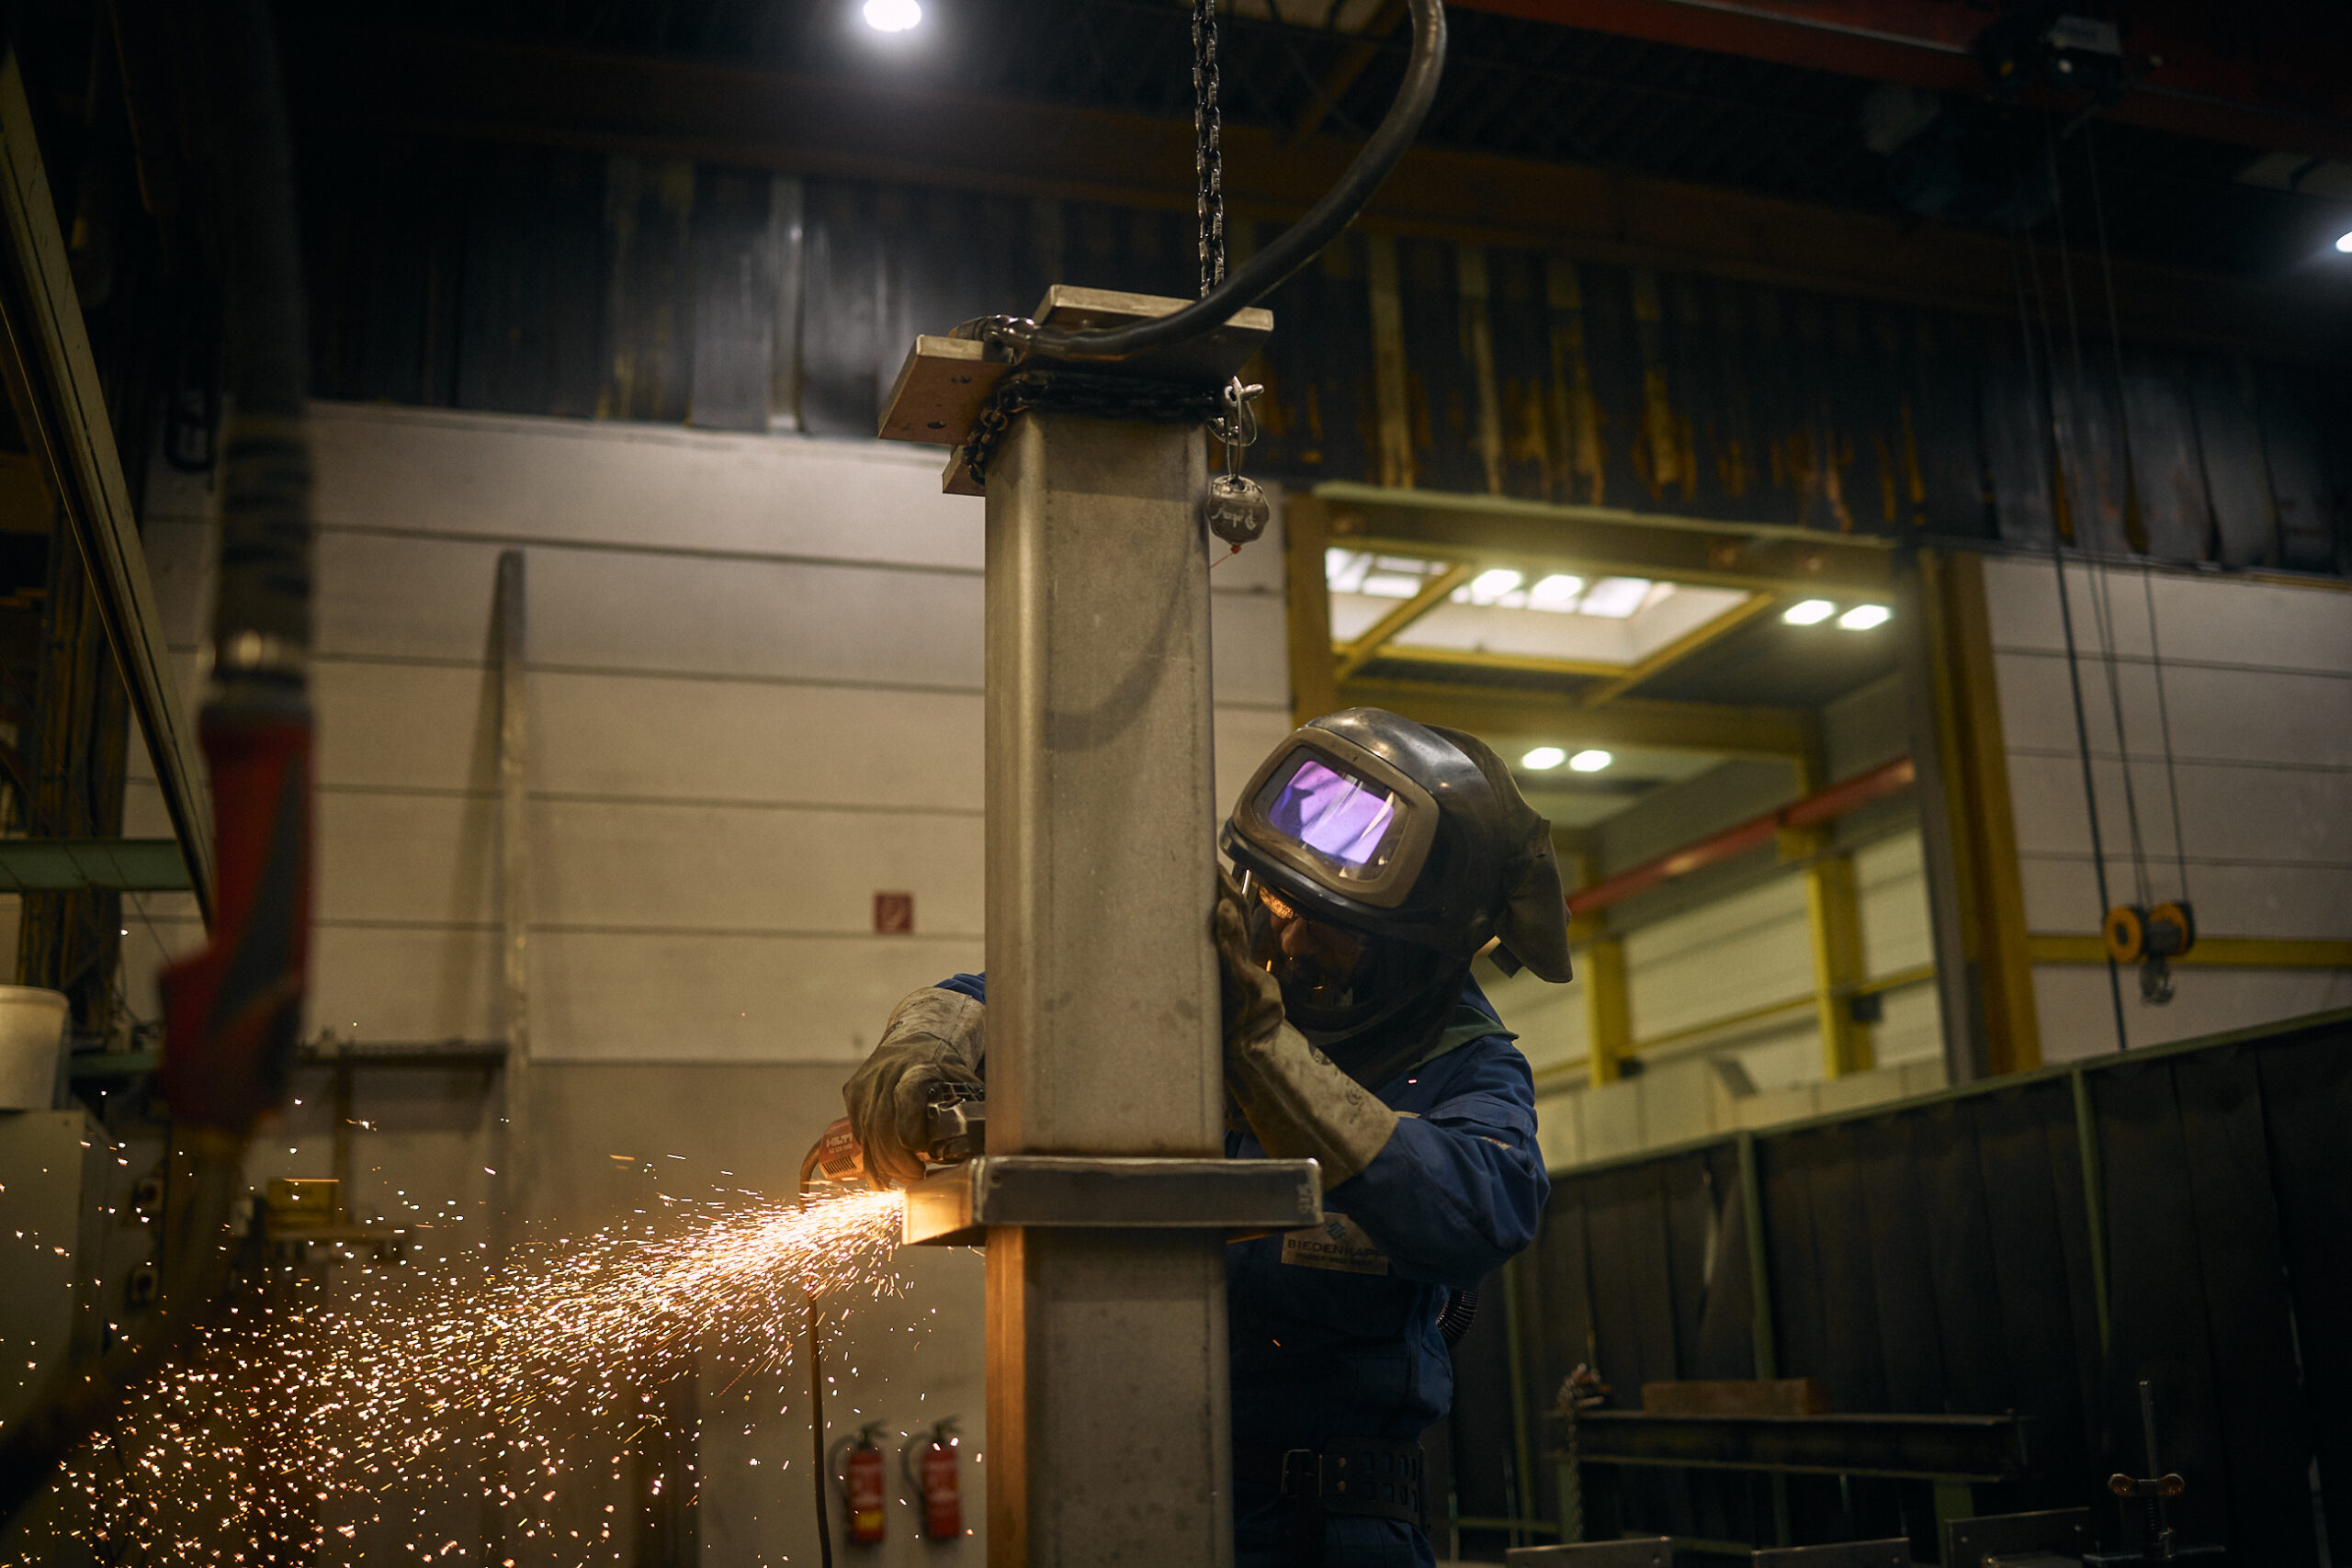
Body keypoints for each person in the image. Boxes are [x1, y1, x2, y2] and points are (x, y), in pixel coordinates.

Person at [842, 708, 1574, 1566]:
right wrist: (928, 1039)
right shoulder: (1213, 979)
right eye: (1279, 902)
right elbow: (1021, 989)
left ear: (1416, 954)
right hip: (1122, 1503)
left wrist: (1267, 1057)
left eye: (1332, 928)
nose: (1289, 938)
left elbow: (1486, 1206)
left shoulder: (1462, 1061)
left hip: (1326, 1529)